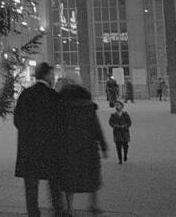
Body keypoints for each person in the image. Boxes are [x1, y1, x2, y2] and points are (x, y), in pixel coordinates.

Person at [14, 62, 64, 217]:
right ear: (47, 75)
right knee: (54, 183)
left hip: (29, 147)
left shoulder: (26, 94)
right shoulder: (53, 96)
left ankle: (33, 212)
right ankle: (58, 211)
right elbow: (61, 122)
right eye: (52, 75)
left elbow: (17, 120)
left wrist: (28, 133)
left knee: (31, 184)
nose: (53, 78)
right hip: (50, 147)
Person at [57, 76, 108, 215]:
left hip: (68, 147)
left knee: (69, 178)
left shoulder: (62, 107)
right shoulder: (88, 107)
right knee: (92, 175)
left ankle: (70, 209)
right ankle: (93, 205)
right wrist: (103, 146)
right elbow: (96, 128)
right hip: (88, 146)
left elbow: (57, 129)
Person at [108, 100, 132, 164]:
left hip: (124, 133)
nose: (116, 106)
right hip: (117, 133)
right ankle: (120, 159)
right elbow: (110, 122)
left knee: (125, 146)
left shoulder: (125, 114)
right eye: (115, 105)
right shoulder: (113, 115)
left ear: (122, 106)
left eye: (118, 105)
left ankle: (125, 155)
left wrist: (125, 126)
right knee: (118, 147)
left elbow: (129, 122)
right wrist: (114, 126)